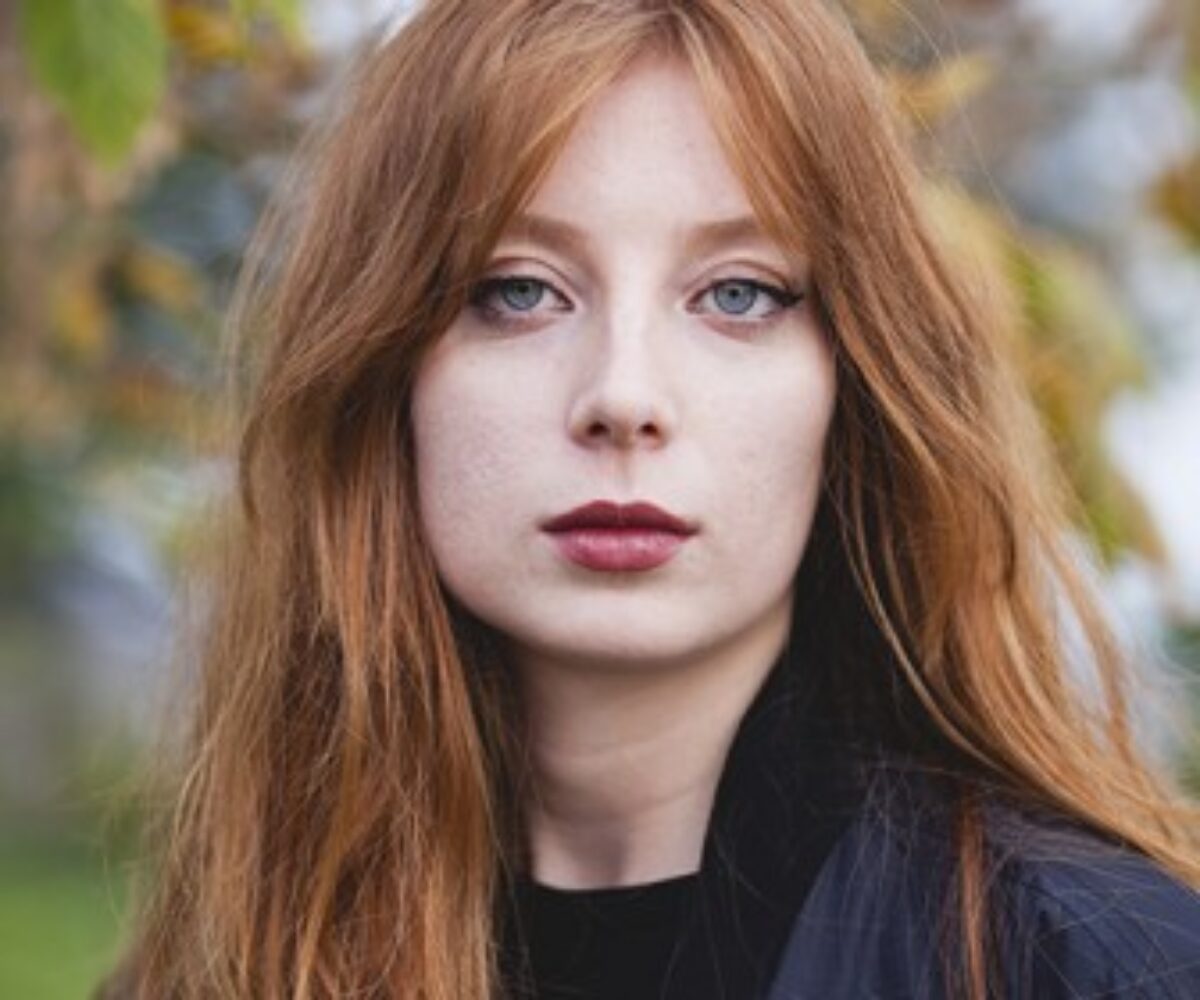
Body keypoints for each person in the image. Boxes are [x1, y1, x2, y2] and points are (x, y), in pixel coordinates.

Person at [100, 1, 1200, 997]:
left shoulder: (1102, 964)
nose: (623, 397)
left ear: (855, 383)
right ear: (381, 374)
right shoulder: (220, 961)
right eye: (518, 290)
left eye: (739, 294)